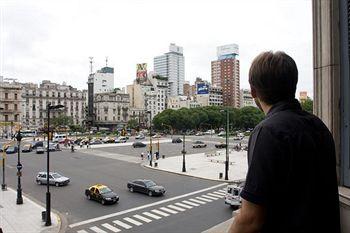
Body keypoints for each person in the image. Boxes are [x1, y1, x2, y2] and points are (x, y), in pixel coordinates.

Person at [229, 51, 340, 233]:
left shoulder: (268, 131)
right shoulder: (319, 126)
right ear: (292, 86)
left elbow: (250, 219)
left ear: (254, 91)